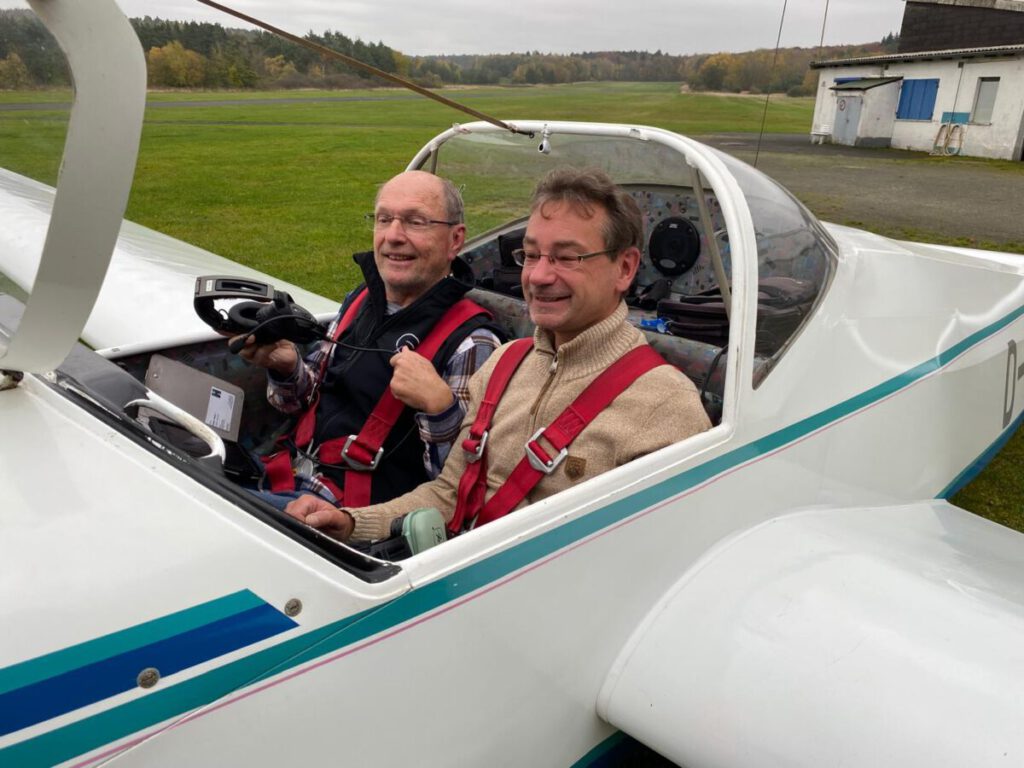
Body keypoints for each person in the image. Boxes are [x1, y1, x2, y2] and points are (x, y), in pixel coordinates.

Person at [285, 167, 711, 542]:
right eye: (531, 255)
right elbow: (448, 493)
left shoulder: (666, 408)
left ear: (624, 268)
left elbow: (653, 562)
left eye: (566, 257)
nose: (539, 276)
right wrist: (350, 523)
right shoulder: (506, 363)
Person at [237, 170, 503, 508]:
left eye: (415, 221)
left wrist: (440, 410)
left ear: (455, 240)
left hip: (346, 517)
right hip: (284, 474)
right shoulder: (360, 300)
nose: (393, 235)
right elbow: (300, 403)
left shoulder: (472, 343)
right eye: (384, 219)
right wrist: (287, 369)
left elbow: (460, 489)